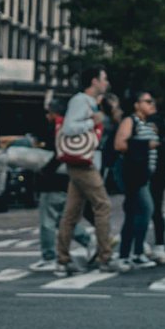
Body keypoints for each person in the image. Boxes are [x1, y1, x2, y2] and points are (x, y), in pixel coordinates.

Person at [53, 66, 117, 274]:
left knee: (71, 213)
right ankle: (105, 257)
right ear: (94, 81)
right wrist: (92, 121)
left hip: (84, 161)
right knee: (103, 205)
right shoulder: (80, 101)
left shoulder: (91, 103)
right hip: (82, 163)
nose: (106, 83)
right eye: (104, 79)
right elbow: (69, 128)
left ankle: (63, 260)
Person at [112, 92, 163, 264]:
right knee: (145, 209)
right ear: (136, 105)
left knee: (134, 213)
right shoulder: (130, 121)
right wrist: (145, 145)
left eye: (153, 101)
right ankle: (133, 253)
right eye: (148, 101)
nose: (152, 104)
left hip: (145, 174)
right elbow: (120, 144)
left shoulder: (149, 123)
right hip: (134, 174)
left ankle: (129, 254)